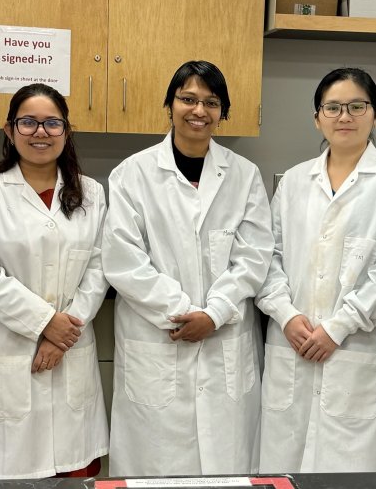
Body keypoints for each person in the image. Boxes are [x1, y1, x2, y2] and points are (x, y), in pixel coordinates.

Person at [102, 60, 274, 476]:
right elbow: (123, 260)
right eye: (188, 99)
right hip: (160, 338)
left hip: (224, 339)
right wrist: (182, 312)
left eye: (211, 102)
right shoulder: (132, 174)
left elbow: (254, 255)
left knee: (228, 471)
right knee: (155, 471)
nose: (199, 111)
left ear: (222, 112)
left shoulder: (244, 175)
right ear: (170, 104)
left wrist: (213, 314)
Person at [256, 68, 376, 472]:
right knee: (281, 471)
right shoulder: (292, 181)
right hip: (292, 344)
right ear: (317, 117)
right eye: (333, 107)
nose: (345, 116)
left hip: (357, 350)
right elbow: (266, 257)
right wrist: (287, 316)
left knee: (350, 475)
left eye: (357, 106)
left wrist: (338, 327)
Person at [0, 84, 108, 479]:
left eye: (52, 123)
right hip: (9, 353)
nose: (41, 132)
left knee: (74, 472)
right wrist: (45, 322)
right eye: (29, 122)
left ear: (66, 132)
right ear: (9, 130)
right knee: (10, 474)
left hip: (69, 352)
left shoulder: (91, 193)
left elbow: (100, 267)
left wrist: (62, 333)